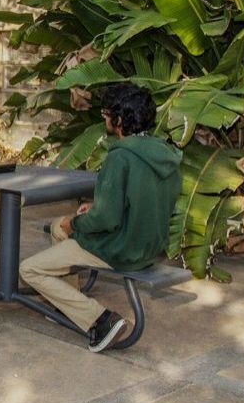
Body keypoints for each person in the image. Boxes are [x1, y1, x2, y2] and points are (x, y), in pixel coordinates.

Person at [19, 82, 181, 352]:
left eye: (106, 113)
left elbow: (105, 220)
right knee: (59, 227)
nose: (104, 118)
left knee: (29, 268)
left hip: (119, 247)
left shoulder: (121, 157)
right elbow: (140, 200)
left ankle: (100, 320)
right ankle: (68, 305)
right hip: (149, 245)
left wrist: (77, 222)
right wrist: (95, 206)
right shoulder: (163, 154)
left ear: (118, 120)